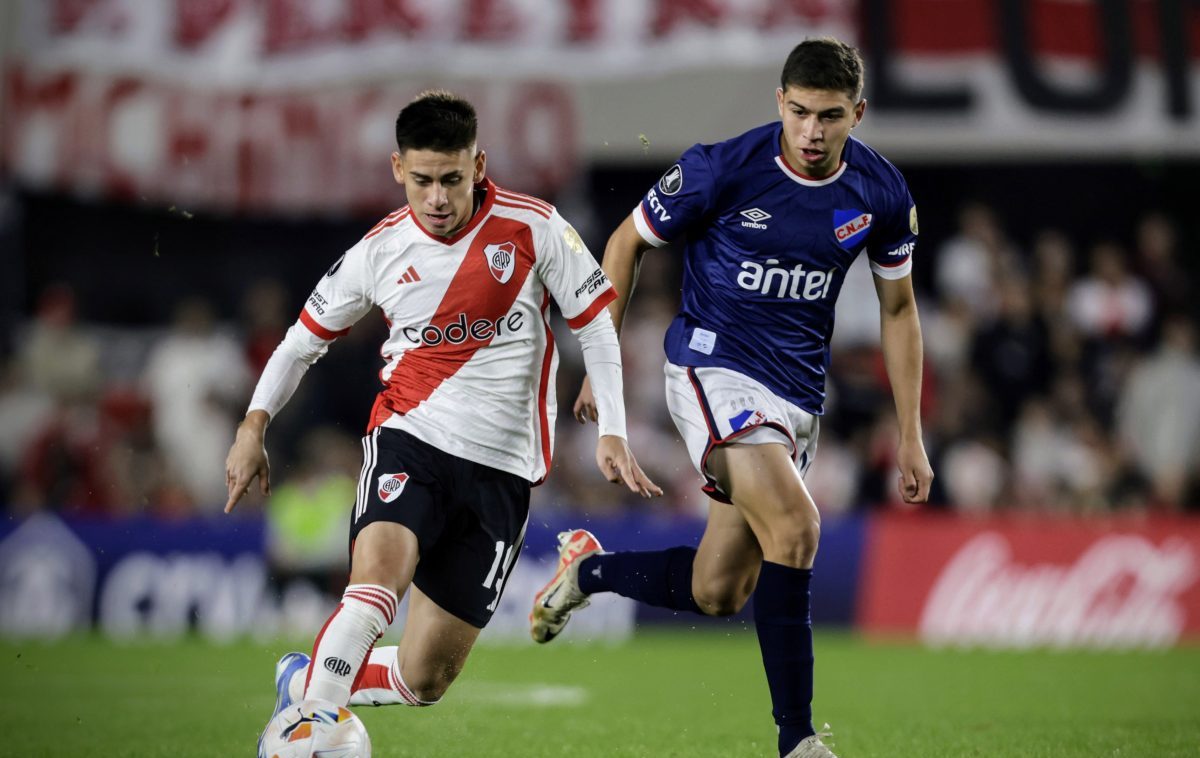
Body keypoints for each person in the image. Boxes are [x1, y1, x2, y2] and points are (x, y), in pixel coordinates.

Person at [529, 38, 933, 758]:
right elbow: (625, 242)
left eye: (830, 117)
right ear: (779, 102)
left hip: (798, 395)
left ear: (858, 114)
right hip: (710, 370)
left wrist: (911, 434)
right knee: (798, 529)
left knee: (719, 589)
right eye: (801, 112)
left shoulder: (880, 192)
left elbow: (899, 311)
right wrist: (603, 358)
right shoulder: (722, 167)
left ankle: (588, 571)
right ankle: (798, 740)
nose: (812, 132)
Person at [224, 90, 660, 749]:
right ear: (398, 168)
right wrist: (251, 427)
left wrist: (612, 429)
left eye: (451, 179)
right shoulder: (379, 251)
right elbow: (301, 341)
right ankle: (312, 722)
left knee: (426, 677)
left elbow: (595, 324)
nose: (437, 198)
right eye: (422, 180)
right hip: (411, 438)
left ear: (478, 165)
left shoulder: (534, 227)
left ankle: (305, 684)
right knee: (375, 586)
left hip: (503, 470)